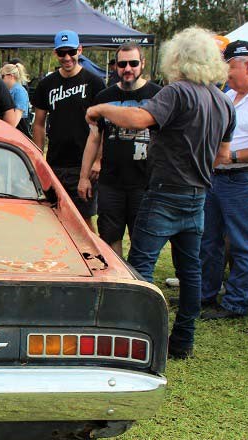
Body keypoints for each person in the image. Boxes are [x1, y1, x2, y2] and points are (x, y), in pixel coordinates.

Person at [86, 27, 236, 359]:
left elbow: (139, 119)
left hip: (165, 192)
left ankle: (139, 341)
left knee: (141, 266)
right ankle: (183, 341)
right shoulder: (224, 103)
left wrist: (102, 110)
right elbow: (222, 157)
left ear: (177, 58)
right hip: (197, 195)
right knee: (190, 271)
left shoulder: (178, 92)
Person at [78, 44, 161, 257]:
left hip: (146, 183)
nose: (127, 69)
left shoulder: (158, 95)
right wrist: (84, 177)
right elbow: (94, 138)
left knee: (141, 240)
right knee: (110, 238)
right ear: (116, 66)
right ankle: (119, 281)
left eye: (133, 63)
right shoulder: (104, 97)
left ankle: (139, 283)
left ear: (142, 63)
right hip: (111, 182)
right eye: (122, 64)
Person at [199, 40, 248, 320]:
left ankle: (235, 303)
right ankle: (205, 294)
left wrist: (229, 156)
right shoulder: (229, 95)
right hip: (216, 178)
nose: (226, 74)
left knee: (243, 243)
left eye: (230, 68)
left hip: (242, 179)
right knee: (209, 240)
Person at [32, 30, 106, 231]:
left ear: (79, 50)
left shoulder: (94, 82)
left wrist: (98, 160)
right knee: (53, 218)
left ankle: (92, 261)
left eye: (71, 51)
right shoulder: (47, 84)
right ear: (55, 53)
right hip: (54, 163)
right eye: (61, 53)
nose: (67, 57)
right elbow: (38, 122)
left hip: (83, 164)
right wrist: (38, 156)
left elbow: (103, 125)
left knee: (84, 221)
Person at [0, 63, 31, 135]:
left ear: (11, 76)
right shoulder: (11, 90)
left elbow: (15, 121)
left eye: (2, 76)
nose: (0, 79)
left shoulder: (19, 91)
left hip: (18, 133)